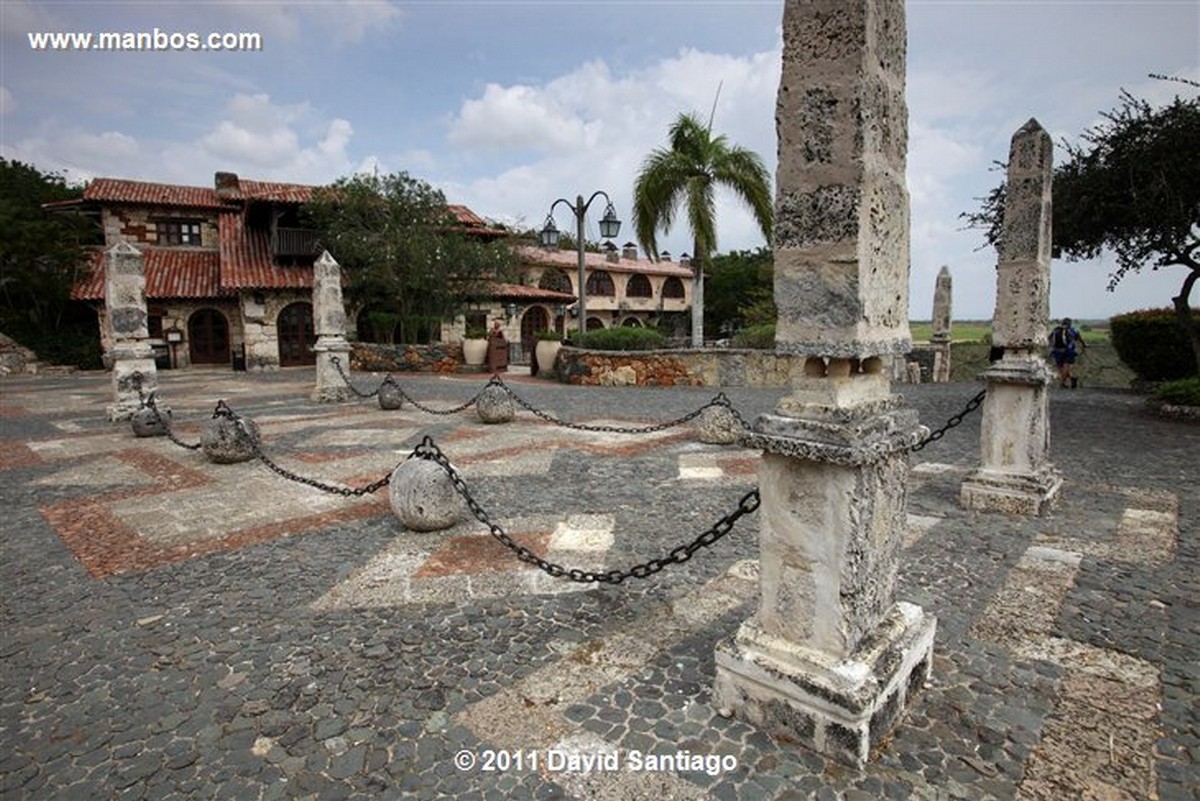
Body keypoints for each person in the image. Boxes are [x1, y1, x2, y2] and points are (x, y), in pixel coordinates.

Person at [1048, 317, 1085, 388]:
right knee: (1066, 367)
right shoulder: (1073, 330)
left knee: (1060, 368)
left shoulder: (1056, 329)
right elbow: (1079, 339)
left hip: (1057, 350)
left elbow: (1050, 338)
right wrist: (1084, 345)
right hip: (1069, 351)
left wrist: (1050, 347)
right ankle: (1068, 380)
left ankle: (1064, 382)